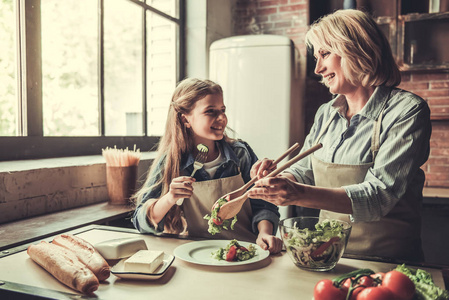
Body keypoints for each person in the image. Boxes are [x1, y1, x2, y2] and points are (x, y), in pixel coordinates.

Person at [248, 9, 431, 262]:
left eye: (325, 54)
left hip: (388, 263)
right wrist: (279, 179)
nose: (318, 68)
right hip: (328, 257)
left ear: (357, 49)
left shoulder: (407, 111)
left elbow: (380, 196)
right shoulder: (326, 113)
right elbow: (304, 170)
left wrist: (297, 193)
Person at [131, 78, 283, 254]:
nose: (222, 118)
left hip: (246, 251)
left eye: (223, 110)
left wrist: (264, 233)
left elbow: (263, 204)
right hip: (196, 254)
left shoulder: (241, 154)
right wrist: (169, 198)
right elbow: (140, 221)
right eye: (210, 111)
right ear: (185, 119)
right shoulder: (171, 162)